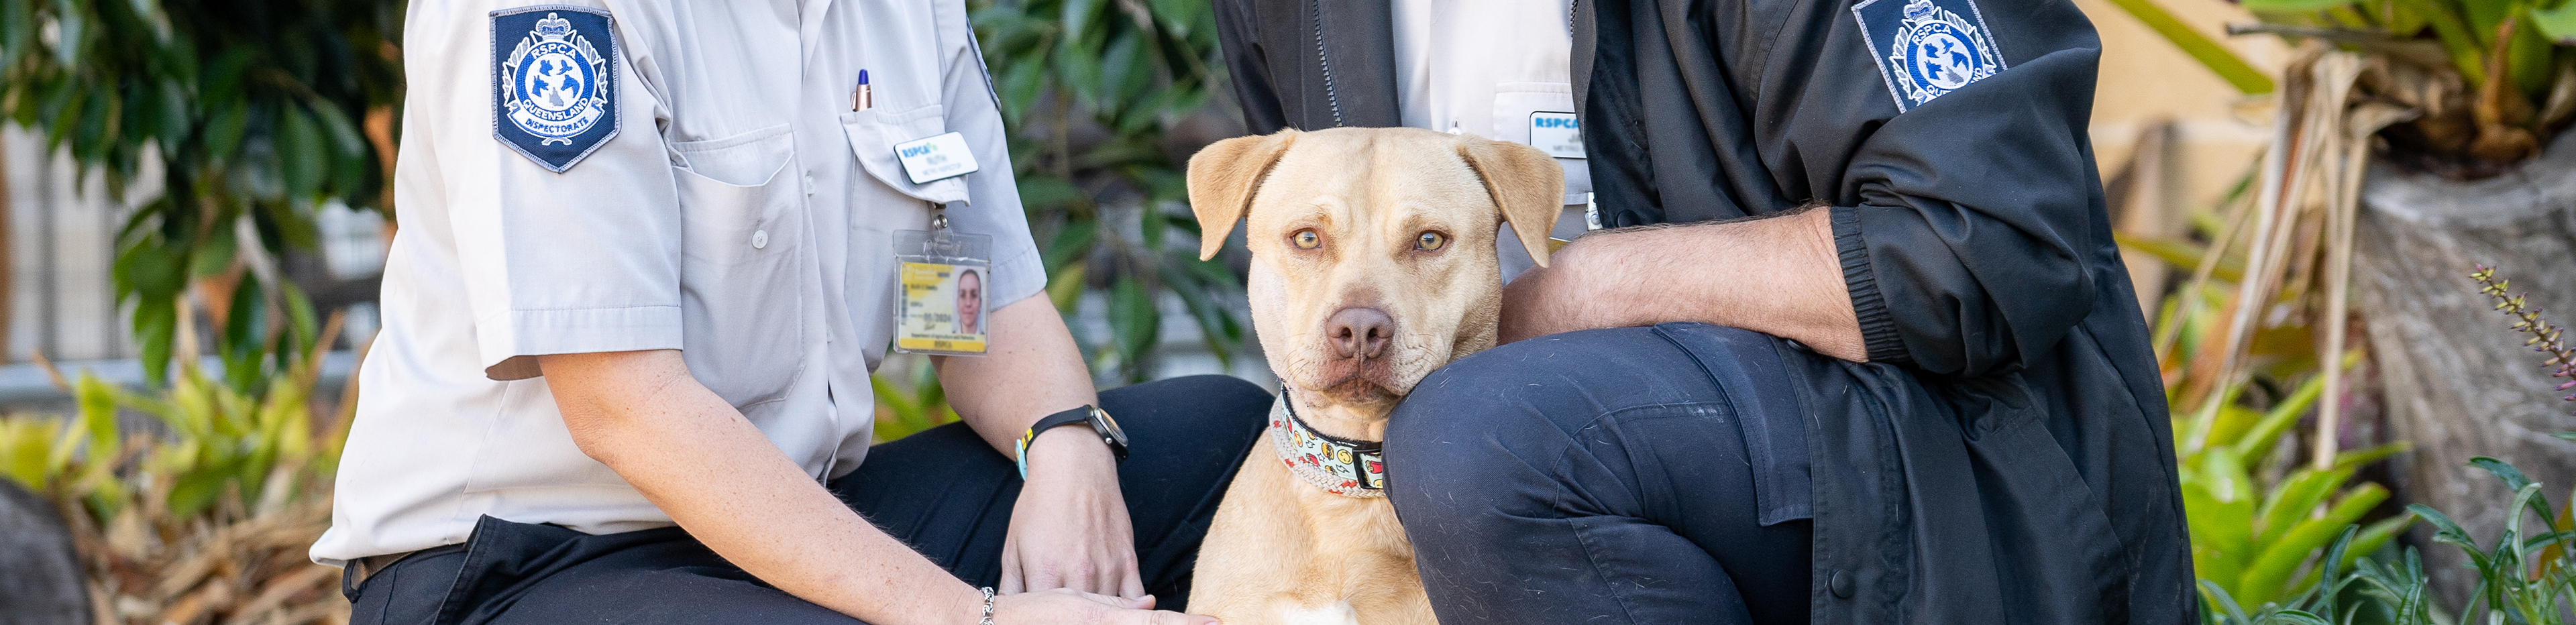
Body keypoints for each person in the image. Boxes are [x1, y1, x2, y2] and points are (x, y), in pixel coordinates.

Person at [1214, 0, 2193, 624]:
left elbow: (1988, 247)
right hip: (1471, 440)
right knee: (1185, 437)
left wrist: (1594, 288)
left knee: (1482, 439)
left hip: (1917, 442)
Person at [315, 2, 1271, 624]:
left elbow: (967, 305)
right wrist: (970, 617)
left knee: (1219, 444)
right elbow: (622, 408)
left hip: (786, 514)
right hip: (523, 566)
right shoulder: (549, 16)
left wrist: (1066, 449)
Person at [958, 268, 985, 335]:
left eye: (974, 295)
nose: (968, 303)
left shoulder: (988, 340)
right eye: (963, 295)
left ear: (980, 304)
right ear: (957, 304)